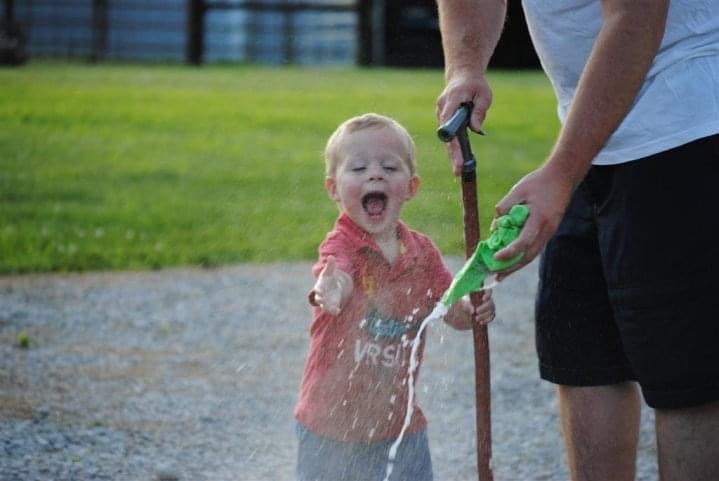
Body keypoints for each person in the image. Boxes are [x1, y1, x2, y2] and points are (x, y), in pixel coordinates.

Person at [436, 1, 719, 480]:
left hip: (686, 123)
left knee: (688, 384)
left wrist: (562, 174)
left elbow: (636, 16)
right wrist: (465, 68)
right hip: (589, 132)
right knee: (583, 361)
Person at [293, 113, 495, 481]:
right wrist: (330, 289)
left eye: (389, 166)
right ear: (333, 189)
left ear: (412, 186)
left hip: (400, 425)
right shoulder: (342, 245)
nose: (375, 174)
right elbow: (337, 276)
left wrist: (473, 309)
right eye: (358, 168)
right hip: (329, 427)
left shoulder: (423, 255)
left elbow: (452, 312)